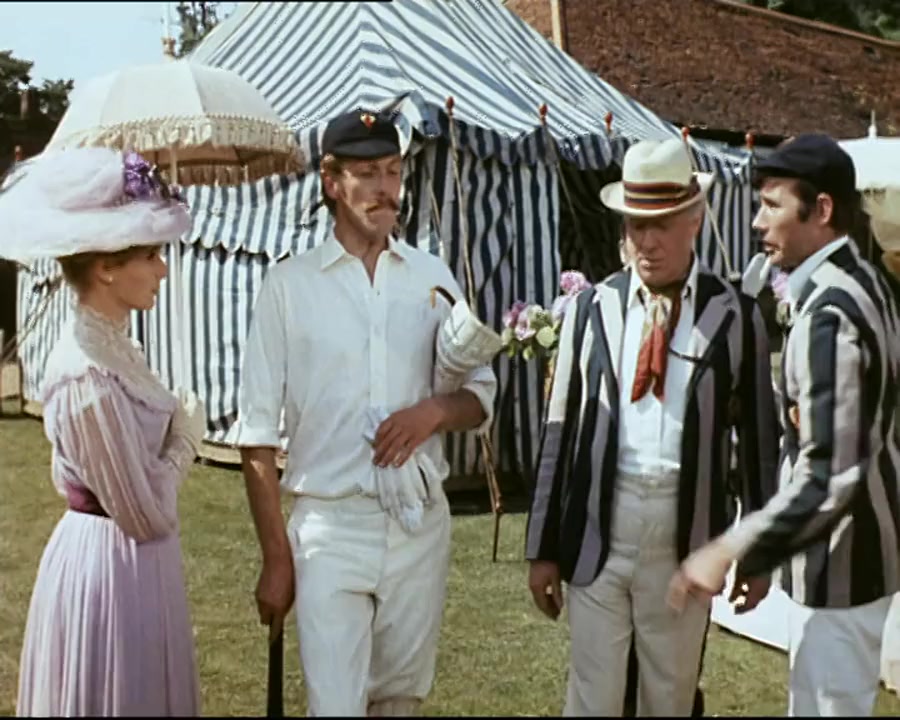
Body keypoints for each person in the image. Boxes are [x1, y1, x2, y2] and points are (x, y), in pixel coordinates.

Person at [234, 108, 497, 716]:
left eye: (393, 172)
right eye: (367, 173)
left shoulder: (431, 276)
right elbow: (256, 436)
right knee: (335, 707)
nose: (385, 189)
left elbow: (480, 394)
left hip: (418, 526)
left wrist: (433, 412)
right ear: (332, 181)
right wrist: (276, 559)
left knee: (400, 702)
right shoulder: (289, 286)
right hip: (330, 526)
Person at [525, 137, 780, 716]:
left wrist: (758, 554)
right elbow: (560, 431)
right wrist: (542, 547)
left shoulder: (734, 315)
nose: (647, 241)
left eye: (662, 224)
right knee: (593, 697)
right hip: (599, 525)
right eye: (636, 224)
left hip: (684, 530)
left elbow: (759, 445)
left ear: (695, 219)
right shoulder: (591, 309)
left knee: (668, 695)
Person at [670, 133, 900, 717]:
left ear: (821, 210)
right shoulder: (862, 281)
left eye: (772, 205)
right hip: (850, 558)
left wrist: (732, 547)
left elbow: (828, 474)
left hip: (843, 567)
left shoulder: (830, 314)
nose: (757, 222)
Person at [0, 147, 206, 716]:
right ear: (106, 267)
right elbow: (144, 514)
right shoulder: (84, 372)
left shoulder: (116, 345)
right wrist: (186, 438)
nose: (163, 270)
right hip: (110, 567)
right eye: (151, 255)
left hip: (141, 565)